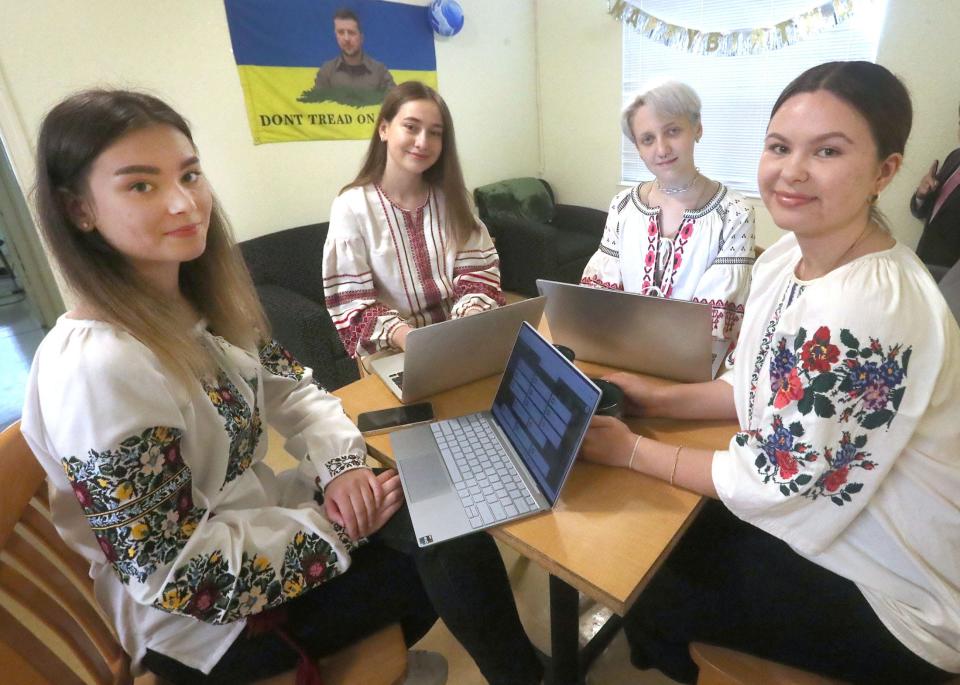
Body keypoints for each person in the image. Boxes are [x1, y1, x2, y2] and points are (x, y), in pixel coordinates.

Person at [21, 89, 544, 685]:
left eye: (190, 174)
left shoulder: (194, 304)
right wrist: (338, 528)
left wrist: (343, 466)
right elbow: (180, 577)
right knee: (446, 545)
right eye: (141, 185)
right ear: (79, 209)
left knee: (437, 507)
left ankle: (517, 670)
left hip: (265, 525)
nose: (184, 203)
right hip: (210, 627)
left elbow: (294, 389)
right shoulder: (99, 370)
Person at [579, 62, 960, 684]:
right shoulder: (790, 255)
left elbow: (778, 478)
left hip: (901, 591)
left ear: (885, 172)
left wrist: (630, 452)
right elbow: (756, 384)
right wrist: (656, 398)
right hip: (839, 521)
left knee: (647, 577)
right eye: (780, 147)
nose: (792, 171)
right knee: (664, 531)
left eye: (828, 151)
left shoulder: (863, 307)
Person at [323, 81, 505, 361]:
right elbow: (353, 302)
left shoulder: (453, 200)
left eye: (435, 133)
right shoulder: (351, 207)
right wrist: (413, 341)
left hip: (458, 338)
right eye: (411, 127)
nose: (422, 142)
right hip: (393, 351)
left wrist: (471, 315)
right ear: (384, 129)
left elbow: (476, 274)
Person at [581, 81, 755, 346]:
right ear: (638, 149)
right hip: (622, 348)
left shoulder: (734, 213)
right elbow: (600, 297)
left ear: (697, 128)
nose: (661, 149)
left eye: (672, 131)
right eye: (647, 139)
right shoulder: (623, 205)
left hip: (695, 365)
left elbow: (714, 327)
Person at [911, 104, 960, 270]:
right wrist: (921, 195)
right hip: (922, 261)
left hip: (951, 278)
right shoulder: (954, 157)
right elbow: (924, 212)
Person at [313, 8, 396, 93]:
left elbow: (393, 103)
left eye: (351, 32)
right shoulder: (326, 71)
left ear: (361, 38)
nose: (346, 38)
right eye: (341, 32)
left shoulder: (379, 71)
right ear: (336, 36)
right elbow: (316, 104)